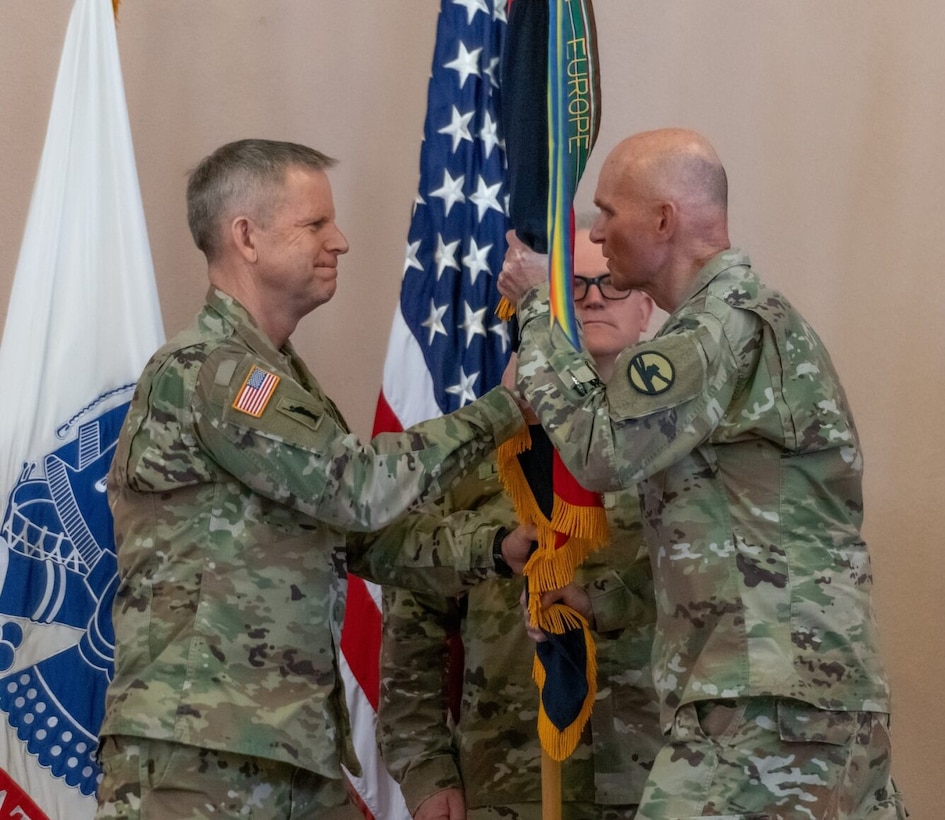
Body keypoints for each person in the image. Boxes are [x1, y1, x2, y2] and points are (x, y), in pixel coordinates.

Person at [96, 138, 531, 820]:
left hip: (287, 747)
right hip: (202, 749)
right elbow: (356, 489)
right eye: (314, 225)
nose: (341, 241)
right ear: (246, 236)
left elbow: (355, 539)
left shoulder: (276, 377)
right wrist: (505, 409)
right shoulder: (215, 372)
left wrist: (497, 548)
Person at [497, 129, 907, 819]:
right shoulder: (726, 327)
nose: (597, 231)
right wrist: (608, 598)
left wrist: (542, 307)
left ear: (663, 219)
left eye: (608, 212)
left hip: (768, 699)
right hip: (787, 688)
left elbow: (600, 451)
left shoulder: (717, 328)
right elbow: (725, 513)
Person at [378, 226, 664, 820]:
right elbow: (414, 627)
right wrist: (425, 770)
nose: (590, 298)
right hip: (511, 780)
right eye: (569, 285)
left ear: (646, 308)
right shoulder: (484, 453)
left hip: (660, 779)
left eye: (610, 282)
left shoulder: (682, 453)